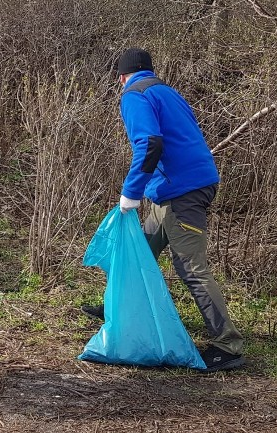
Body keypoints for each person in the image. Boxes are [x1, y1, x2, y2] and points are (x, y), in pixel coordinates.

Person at [83, 47, 245, 372]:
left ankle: (228, 345)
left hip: (182, 192)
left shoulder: (133, 94)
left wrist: (131, 192)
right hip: (180, 187)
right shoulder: (165, 91)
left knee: (191, 268)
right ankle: (117, 306)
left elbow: (150, 143)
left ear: (121, 76)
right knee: (139, 248)